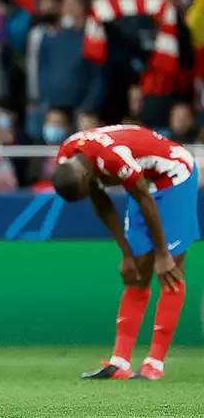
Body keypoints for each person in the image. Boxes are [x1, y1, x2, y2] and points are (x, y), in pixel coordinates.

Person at [51, 125, 197, 381]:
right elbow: (100, 199)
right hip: (144, 182)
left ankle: (155, 363)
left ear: (85, 174)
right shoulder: (67, 158)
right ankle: (120, 362)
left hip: (174, 175)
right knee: (135, 273)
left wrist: (162, 254)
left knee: (170, 269)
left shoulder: (112, 159)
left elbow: (144, 198)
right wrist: (126, 253)